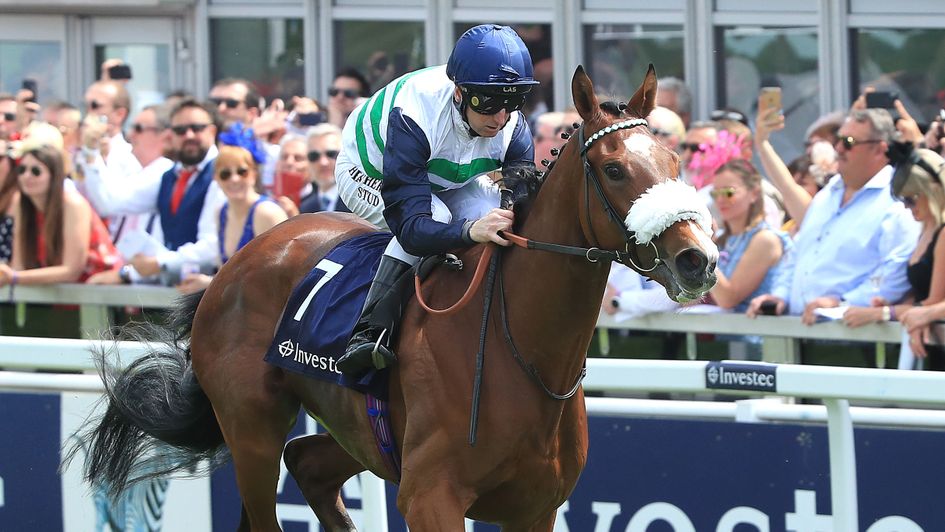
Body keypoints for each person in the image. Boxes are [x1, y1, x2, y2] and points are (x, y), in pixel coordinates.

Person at [334, 24, 538, 375]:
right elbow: (413, 229)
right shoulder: (416, 114)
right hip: (370, 172)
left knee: (494, 216)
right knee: (440, 218)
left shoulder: (512, 126)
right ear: (459, 93)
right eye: (488, 103)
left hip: (446, 176)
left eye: (513, 101)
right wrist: (470, 231)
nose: (501, 118)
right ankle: (369, 330)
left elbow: (522, 204)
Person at [747, 109, 921, 324]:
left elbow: (895, 274)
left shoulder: (896, 200)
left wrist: (843, 303)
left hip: (856, 337)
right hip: (798, 332)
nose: (838, 148)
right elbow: (797, 253)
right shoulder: (829, 192)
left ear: (879, 149)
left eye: (848, 142)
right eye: (838, 139)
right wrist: (780, 295)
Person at [76, 99, 224, 284]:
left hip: (212, 292)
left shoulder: (223, 173)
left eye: (197, 128)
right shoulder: (169, 176)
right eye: (180, 130)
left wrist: (159, 262)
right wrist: (91, 153)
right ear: (171, 135)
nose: (189, 135)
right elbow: (110, 203)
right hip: (175, 290)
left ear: (211, 131)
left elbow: (213, 245)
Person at [843, 148, 945, 368]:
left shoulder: (943, 232)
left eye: (911, 199)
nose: (908, 208)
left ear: (934, 190)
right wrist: (902, 305)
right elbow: (922, 297)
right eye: (903, 201)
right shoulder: (927, 228)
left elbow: (933, 303)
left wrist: (880, 313)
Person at [79, 104, 175, 285]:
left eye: (139, 129)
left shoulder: (163, 170)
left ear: (165, 135)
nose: (130, 134)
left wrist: (91, 153)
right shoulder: (145, 170)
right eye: (131, 127)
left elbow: (108, 202)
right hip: (139, 275)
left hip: (154, 281)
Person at [0, 146, 120, 287]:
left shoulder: (73, 205)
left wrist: (14, 277)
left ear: (54, 176)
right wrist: (10, 274)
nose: (27, 176)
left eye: (36, 171)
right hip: (52, 294)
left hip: (98, 291)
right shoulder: (20, 205)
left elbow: (71, 271)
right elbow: (18, 266)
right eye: (22, 170)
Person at [177, 142, 287, 294]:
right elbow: (226, 271)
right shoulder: (220, 213)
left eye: (242, 172)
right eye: (225, 174)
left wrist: (210, 283)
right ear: (216, 179)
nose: (234, 179)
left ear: (254, 174)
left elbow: (278, 273)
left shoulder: (266, 212)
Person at [708, 160, 791, 312]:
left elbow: (728, 298)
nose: (720, 200)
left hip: (755, 333)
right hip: (720, 332)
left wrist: (703, 254)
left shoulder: (765, 240)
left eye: (728, 192)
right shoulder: (722, 239)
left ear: (754, 194)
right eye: (715, 193)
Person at [298, 124, 348, 214]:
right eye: (314, 156)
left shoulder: (362, 201)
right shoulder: (305, 208)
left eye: (331, 154)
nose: (323, 162)